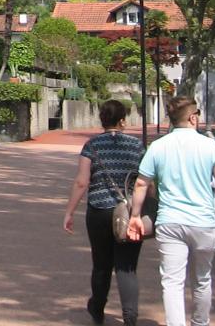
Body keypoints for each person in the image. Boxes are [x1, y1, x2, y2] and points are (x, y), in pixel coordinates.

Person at [127, 96, 215, 326]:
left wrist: (135, 216)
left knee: (172, 282)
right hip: (203, 222)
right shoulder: (211, 146)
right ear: (193, 118)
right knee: (202, 279)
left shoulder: (158, 146)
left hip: (170, 221)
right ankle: (200, 322)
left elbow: (141, 183)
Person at [63, 99, 145, 326]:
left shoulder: (92, 146)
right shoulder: (137, 146)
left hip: (99, 209)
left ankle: (97, 309)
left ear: (102, 120)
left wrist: (69, 212)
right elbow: (145, 181)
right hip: (129, 211)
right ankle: (130, 315)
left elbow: (82, 181)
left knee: (101, 265)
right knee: (127, 267)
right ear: (122, 121)